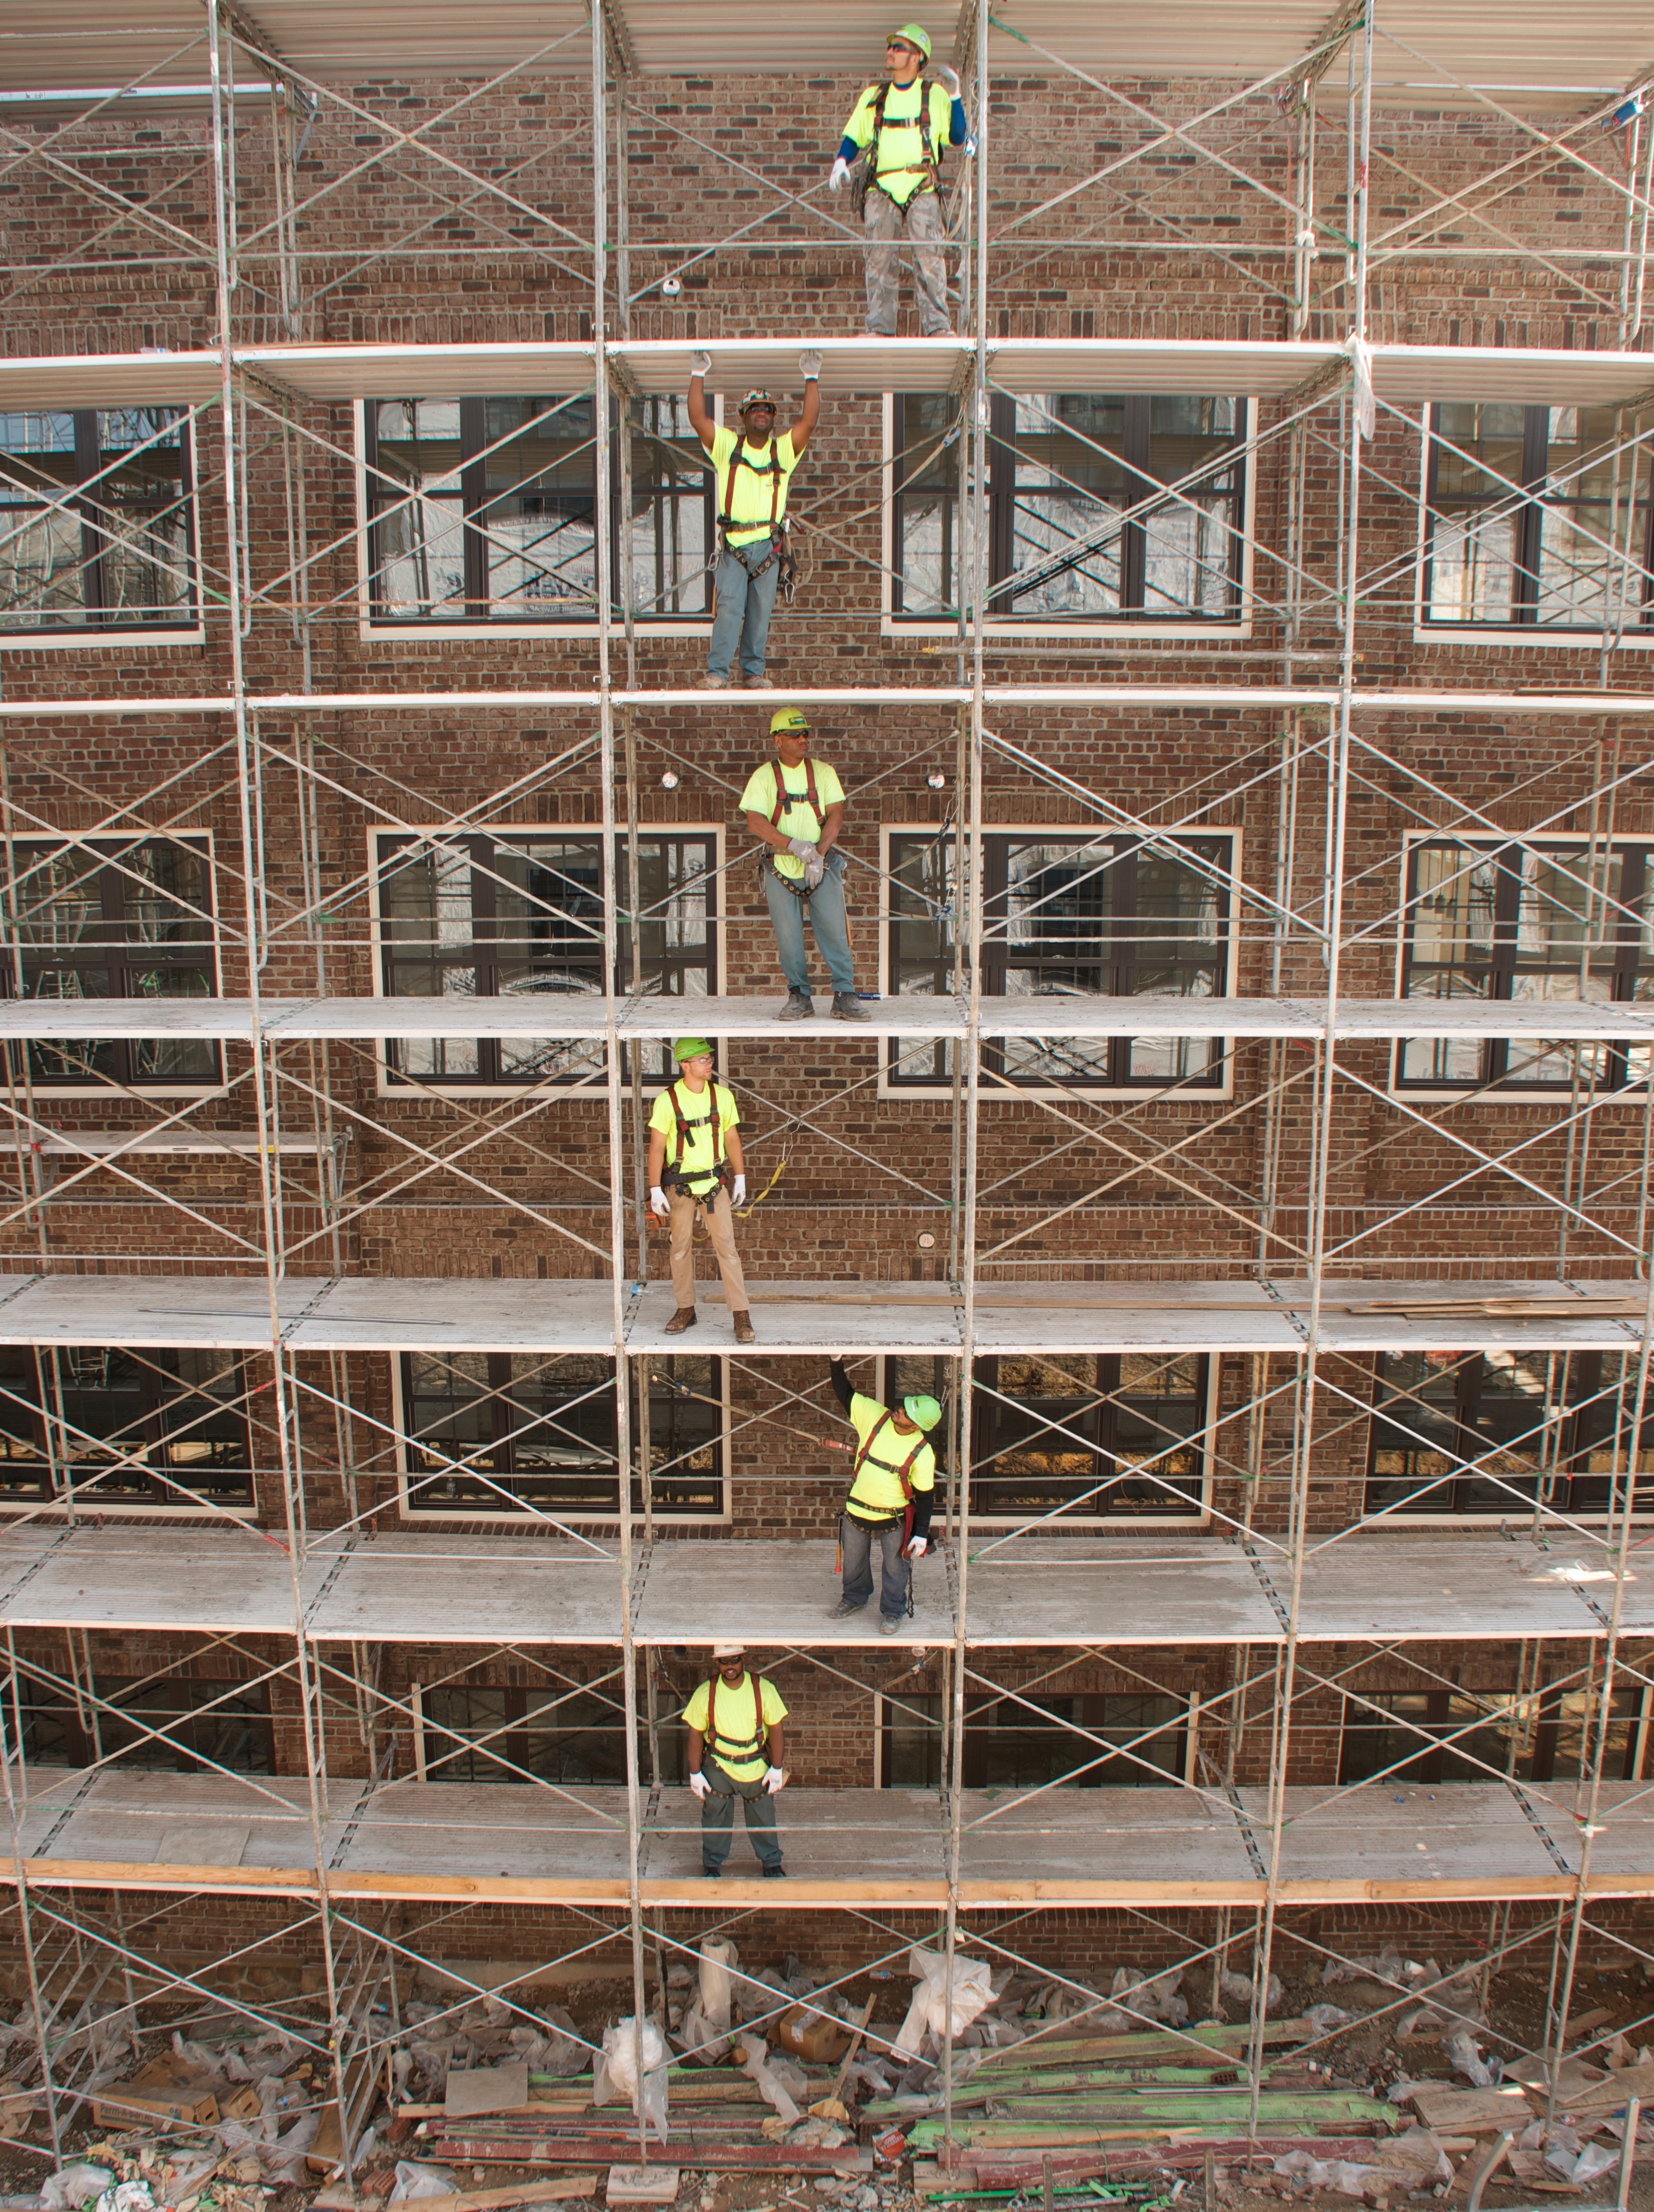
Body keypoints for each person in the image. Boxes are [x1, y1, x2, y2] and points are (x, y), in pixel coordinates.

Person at [687, 352, 821, 690]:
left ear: (773, 417)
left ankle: (753, 672)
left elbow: (808, 422)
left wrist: (812, 378)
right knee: (730, 609)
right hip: (733, 546)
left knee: (760, 615)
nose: (761, 413)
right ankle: (718, 671)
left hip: (769, 548)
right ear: (744, 416)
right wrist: (697, 373)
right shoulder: (727, 447)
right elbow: (698, 419)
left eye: (767, 409)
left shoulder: (782, 452)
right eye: (754, 409)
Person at [829, 25, 968, 338]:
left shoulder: (933, 95)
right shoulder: (875, 96)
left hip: (923, 185)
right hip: (882, 187)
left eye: (899, 48)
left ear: (918, 57)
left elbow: (958, 137)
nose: (890, 52)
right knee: (879, 257)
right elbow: (854, 136)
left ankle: (937, 327)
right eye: (890, 46)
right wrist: (841, 160)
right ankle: (879, 327)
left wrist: (955, 96)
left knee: (929, 256)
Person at [740, 706, 869, 1023]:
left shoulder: (823, 773)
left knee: (835, 930)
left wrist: (820, 854)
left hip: (821, 866)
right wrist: (793, 845)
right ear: (777, 740)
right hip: (780, 866)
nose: (803, 739)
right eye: (794, 734)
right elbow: (755, 821)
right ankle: (799, 995)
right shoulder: (765, 777)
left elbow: (836, 815)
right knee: (788, 935)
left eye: (805, 734)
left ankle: (844, 994)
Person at [647, 1037, 755, 1344]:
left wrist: (741, 1177)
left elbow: (732, 1138)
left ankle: (740, 1313)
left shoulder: (722, 1096)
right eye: (703, 1060)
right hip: (680, 1187)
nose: (710, 1064)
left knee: (728, 1252)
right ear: (685, 1064)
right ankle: (686, 1309)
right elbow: (656, 1148)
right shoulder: (668, 1101)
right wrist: (655, 1188)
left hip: (713, 1186)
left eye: (709, 1059)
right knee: (679, 1250)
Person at [825, 1355, 941, 1633]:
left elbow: (925, 1498)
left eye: (906, 1412)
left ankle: (892, 1610)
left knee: (895, 1567)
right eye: (903, 1405)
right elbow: (846, 1393)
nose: (898, 1410)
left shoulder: (923, 1453)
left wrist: (921, 1534)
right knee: (853, 1561)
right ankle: (854, 1598)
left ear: (916, 1426)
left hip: (894, 1518)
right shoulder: (877, 1417)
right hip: (857, 1511)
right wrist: (836, 1362)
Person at [683, 1643, 787, 1879]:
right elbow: (695, 1734)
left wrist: (777, 1768)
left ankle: (772, 1863)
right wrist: (694, 1773)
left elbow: (777, 1729)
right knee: (714, 1815)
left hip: (756, 1764)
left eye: (734, 1660)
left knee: (763, 1815)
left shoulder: (763, 1689)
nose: (730, 1666)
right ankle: (712, 1864)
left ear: (743, 1660)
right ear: (717, 1663)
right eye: (724, 1661)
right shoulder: (705, 1693)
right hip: (719, 1766)